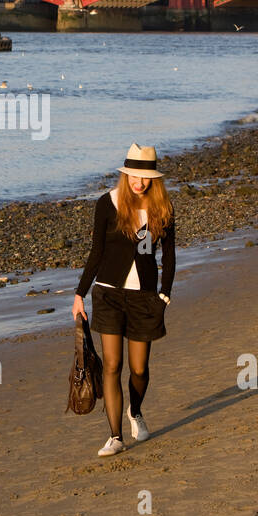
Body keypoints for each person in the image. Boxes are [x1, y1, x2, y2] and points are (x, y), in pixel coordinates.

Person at [73, 144, 176, 457]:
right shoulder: (108, 203)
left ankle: (136, 411)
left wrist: (165, 294)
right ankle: (115, 436)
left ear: (152, 179)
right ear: (126, 174)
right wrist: (79, 293)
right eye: (134, 175)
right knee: (112, 365)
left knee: (140, 369)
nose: (139, 182)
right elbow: (97, 251)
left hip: (145, 297)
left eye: (145, 177)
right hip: (108, 294)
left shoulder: (162, 207)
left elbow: (169, 255)